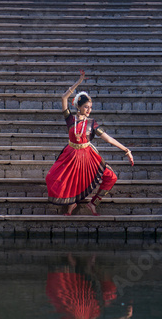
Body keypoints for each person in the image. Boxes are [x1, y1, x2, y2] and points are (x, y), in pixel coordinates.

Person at [45, 70, 134, 215]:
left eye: (90, 107)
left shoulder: (92, 123)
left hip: (88, 155)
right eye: (86, 107)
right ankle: (71, 202)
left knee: (111, 177)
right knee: (52, 177)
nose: (89, 110)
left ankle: (94, 203)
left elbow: (108, 138)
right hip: (71, 154)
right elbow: (63, 98)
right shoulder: (70, 120)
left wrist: (126, 150)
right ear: (79, 106)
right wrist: (78, 83)